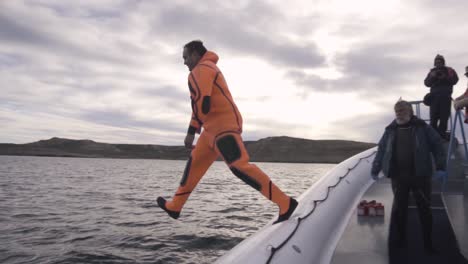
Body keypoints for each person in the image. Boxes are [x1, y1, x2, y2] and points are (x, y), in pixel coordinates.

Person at [157, 40, 298, 224]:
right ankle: (175, 206)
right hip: (210, 131)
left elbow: (203, 101)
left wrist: (193, 128)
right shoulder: (204, 69)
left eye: (185, 57)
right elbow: (199, 105)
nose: (184, 62)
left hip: (223, 127)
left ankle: (285, 203)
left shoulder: (201, 69)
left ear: (195, 54)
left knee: (240, 167)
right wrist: (192, 130)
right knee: (193, 167)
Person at [371, 100, 446, 253]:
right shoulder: (390, 130)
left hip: (420, 176)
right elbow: (381, 149)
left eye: (403, 110)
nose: (399, 113)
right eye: (397, 111)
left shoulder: (422, 127)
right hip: (399, 178)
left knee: (425, 209)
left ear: (410, 111)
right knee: (400, 210)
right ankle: (402, 240)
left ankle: (428, 242)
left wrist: (441, 166)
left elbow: (437, 144)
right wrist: (375, 168)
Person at [424, 54, 459, 139]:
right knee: (433, 119)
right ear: (434, 63)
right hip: (434, 98)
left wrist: (445, 78)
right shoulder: (432, 72)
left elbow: (455, 80)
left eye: (440, 61)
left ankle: (441, 135)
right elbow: (426, 83)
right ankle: (433, 136)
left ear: (443, 62)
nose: (438, 63)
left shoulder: (449, 70)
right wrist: (432, 77)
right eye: (436, 61)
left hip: (445, 98)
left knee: (444, 119)